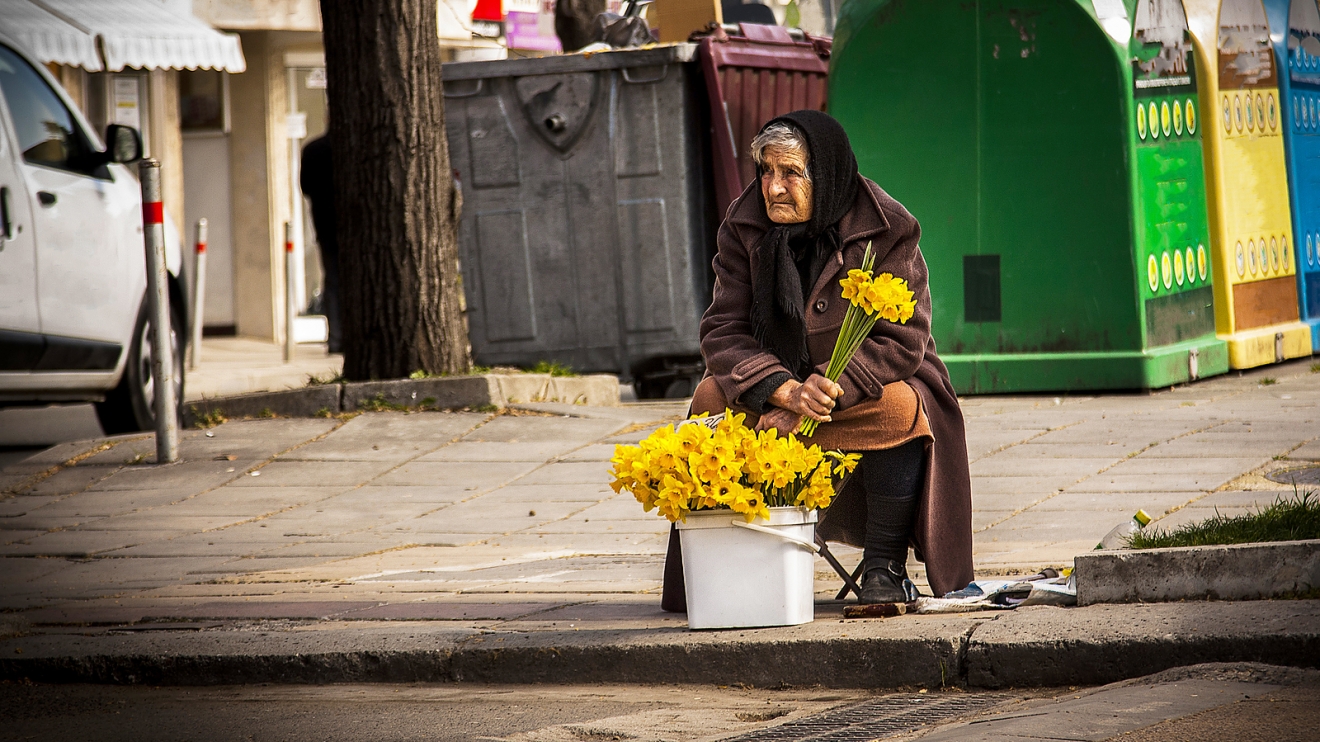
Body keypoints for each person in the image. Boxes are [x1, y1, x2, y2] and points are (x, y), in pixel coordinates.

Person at [677, 110, 974, 604]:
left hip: (856, 392)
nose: (773, 188)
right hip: (775, 394)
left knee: (902, 408)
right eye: (767, 171)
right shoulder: (744, 222)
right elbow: (722, 328)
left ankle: (883, 565)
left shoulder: (885, 225)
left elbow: (903, 337)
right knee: (710, 397)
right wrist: (785, 391)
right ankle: (732, 560)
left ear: (827, 174)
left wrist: (826, 390)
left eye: (791, 173)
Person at [299, 135, 341, 354]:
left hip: (325, 224)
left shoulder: (313, 149)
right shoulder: (354, 145)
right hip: (353, 225)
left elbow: (305, 187)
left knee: (333, 282)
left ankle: (336, 339)